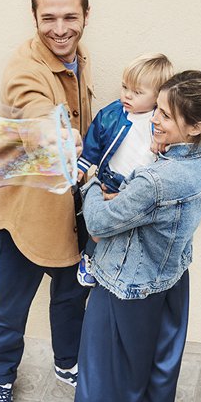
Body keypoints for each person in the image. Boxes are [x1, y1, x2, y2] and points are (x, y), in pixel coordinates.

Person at [22, 70, 201, 402]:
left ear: (195, 126)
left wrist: (91, 183)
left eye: (166, 115)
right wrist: (132, 190)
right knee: (161, 353)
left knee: (101, 366)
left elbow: (98, 224)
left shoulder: (156, 179)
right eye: (157, 108)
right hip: (170, 275)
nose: (154, 119)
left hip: (125, 283)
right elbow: (154, 207)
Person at [0, 0, 96, 402]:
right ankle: (1, 379)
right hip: (23, 219)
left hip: (68, 214)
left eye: (70, 17)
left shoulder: (79, 56)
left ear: (86, 16)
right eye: (48, 18)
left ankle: (67, 362)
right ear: (34, 18)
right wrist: (55, 134)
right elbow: (35, 109)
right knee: (10, 309)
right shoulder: (24, 69)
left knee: (70, 298)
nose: (60, 29)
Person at [75, 52, 174, 286]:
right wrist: (82, 165)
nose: (127, 95)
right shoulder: (112, 114)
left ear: (158, 96)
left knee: (125, 231)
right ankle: (89, 258)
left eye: (137, 92)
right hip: (111, 180)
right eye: (124, 87)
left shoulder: (160, 122)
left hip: (139, 186)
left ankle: (116, 265)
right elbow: (94, 140)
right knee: (99, 229)